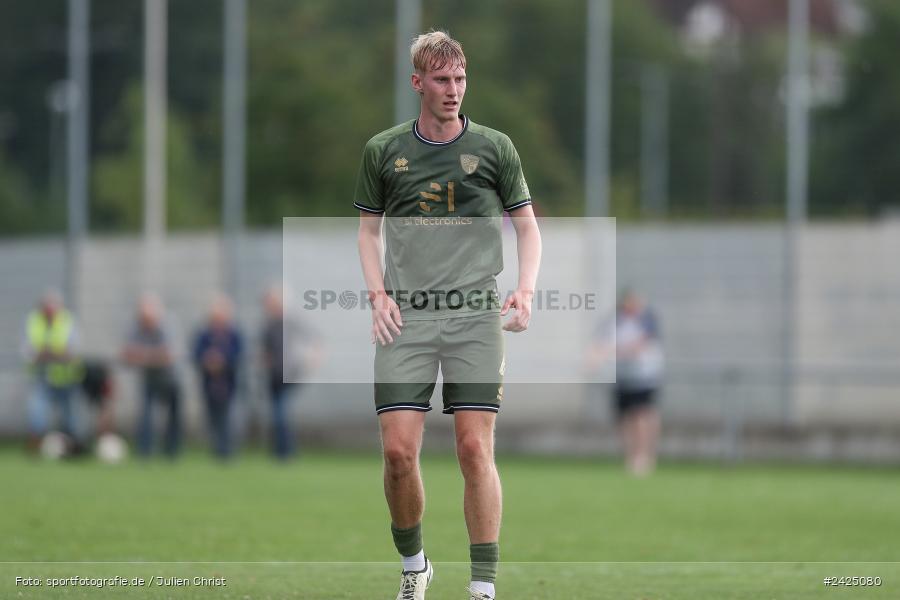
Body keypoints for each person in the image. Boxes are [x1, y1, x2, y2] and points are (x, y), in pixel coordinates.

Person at [354, 31, 541, 600]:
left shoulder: (494, 148)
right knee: (397, 453)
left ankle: (482, 587)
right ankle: (415, 567)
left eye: (460, 79)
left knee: (472, 447)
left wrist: (525, 291)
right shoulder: (383, 151)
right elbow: (367, 231)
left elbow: (528, 228)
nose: (453, 90)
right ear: (418, 83)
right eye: (441, 80)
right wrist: (377, 294)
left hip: (474, 316)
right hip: (405, 317)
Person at [588, 289, 664, 476]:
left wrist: (613, 351)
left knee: (643, 416)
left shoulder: (646, 320)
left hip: (645, 377)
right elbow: (600, 343)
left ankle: (646, 456)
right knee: (625, 418)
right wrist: (594, 358)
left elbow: (639, 345)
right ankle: (631, 457)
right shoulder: (615, 321)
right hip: (623, 377)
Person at [260, 285, 320, 460]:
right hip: (273, 376)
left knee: (281, 412)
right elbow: (266, 349)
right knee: (277, 413)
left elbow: (315, 338)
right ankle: (280, 450)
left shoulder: (292, 321)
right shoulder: (268, 324)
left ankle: (286, 452)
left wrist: (313, 359)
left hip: (290, 375)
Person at [21, 290, 83, 453]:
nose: (50, 311)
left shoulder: (67, 321)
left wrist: (47, 353)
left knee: (70, 417)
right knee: (37, 412)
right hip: (41, 376)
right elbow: (28, 352)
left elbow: (72, 353)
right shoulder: (33, 321)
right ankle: (35, 446)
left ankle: (73, 448)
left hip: (66, 378)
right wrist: (54, 353)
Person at [121, 294, 182, 458]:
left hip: (171, 378)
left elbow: (168, 356)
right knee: (145, 416)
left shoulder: (167, 326)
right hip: (148, 378)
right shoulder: (135, 327)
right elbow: (126, 354)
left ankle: (171, 452)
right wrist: (153, 356)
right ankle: (145, 452)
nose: (146, 322)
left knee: (173, 417)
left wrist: (143, 355)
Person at [193, 295, 244, 460]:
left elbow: (240, 355)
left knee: (229, 418)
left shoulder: (234, 334)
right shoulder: (204, 334)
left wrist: (223, 362)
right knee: (213, 418)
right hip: (209, 383)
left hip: (230, 383)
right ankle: (217, 450)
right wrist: (207, 362)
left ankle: (227, 451)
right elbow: (196, 354)